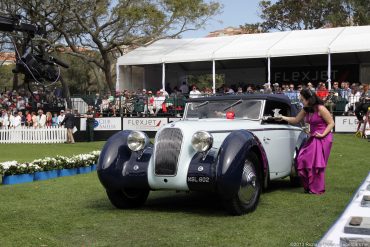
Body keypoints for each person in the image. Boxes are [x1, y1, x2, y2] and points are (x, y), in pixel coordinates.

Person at [280, 89, 334, 195]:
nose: (301, 102)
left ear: (309, 99)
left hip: (323, 138)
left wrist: (323, 134)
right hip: (313, 137)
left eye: (302, 99)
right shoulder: (306, 109)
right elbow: (296, 120)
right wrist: (282, 117)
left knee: (316, 164)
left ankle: (316, 189)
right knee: (302, 159)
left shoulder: (321, 108)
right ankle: (309, 186)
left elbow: (331, 123)